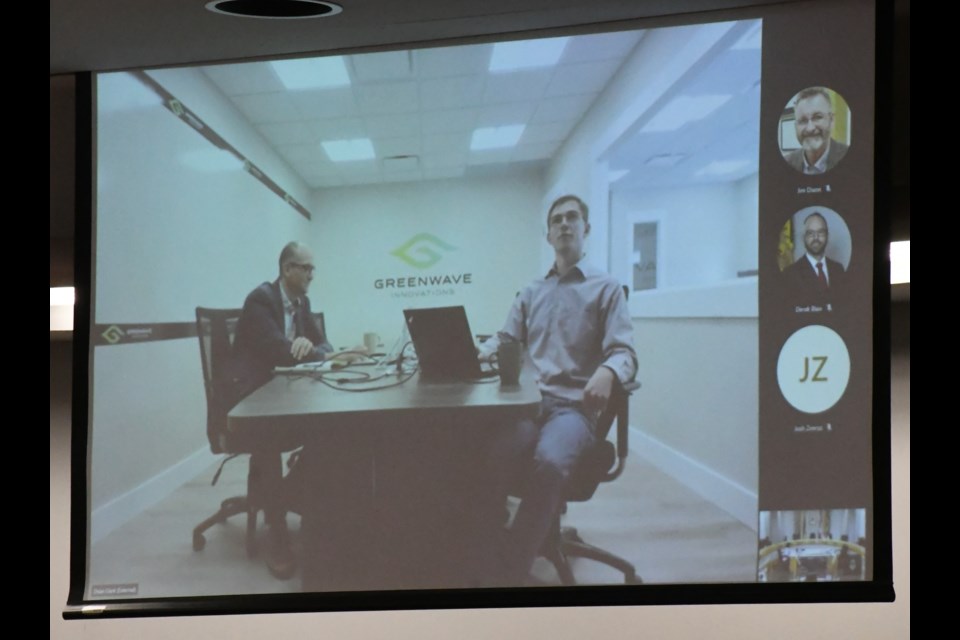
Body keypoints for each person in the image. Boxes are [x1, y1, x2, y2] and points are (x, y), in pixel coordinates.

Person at [474, 194, 638, 586]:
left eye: (572, 218)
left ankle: (510, 570)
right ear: (548, 235)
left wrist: (609, 372)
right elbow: (505, 339)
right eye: (557, 220)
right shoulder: (531, 291)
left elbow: (625, 352)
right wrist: (473, 355)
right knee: (488, 453)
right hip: (529, 406)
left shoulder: (607, 288)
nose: (564, 224)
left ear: (586, 229)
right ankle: (485, 545)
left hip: (573, 410)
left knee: (549, 462)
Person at [230, 241, 360, 580]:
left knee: (332, 430)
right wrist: (298, 349)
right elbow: (278, 352)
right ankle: (278, 533)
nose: (312, 275)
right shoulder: (260, 300)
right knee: (269, 443)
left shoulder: (302, 303)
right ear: (288, 269)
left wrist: (309, 348)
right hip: (253, 402)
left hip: (285, 396)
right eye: (307, 268)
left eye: (312, 268)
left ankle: (299, 496)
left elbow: (324, 344)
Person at [782, 212, 847, 307]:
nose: (816, 238)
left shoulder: (838, 269)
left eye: (820, 232)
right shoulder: (790, 274)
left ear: (827, 236)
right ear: (803, 238)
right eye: (810, 233)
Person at [782, 87, 849, 174]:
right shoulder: (787, 162)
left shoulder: (850, 157)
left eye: (817, 117)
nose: (810, 128)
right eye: (802, 120)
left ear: (831, 120)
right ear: (795, 126)